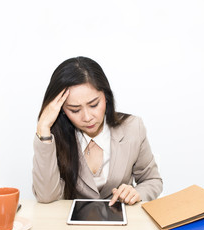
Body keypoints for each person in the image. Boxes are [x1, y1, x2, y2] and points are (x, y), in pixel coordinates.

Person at [32, 56, 162, 206]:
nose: (87, 117)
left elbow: (152, 180)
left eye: (94, 105)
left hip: (121, 226)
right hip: (71, 227)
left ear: (106, 97)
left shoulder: (133, 127)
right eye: (75, 110)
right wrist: (43, 128)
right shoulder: (52, 137)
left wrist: (137, 193)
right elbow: (46, 196)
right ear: (61, 110)